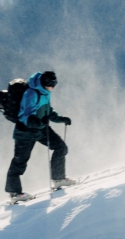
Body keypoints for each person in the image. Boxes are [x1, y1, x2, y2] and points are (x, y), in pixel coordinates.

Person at [6, 70, 74, 202]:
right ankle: (14, 192)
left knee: (61, 147)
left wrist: (61, 119)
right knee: (19, 162)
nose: (53, 87)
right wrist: (38, 122)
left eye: (55, 84)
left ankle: (58, 178)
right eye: (52, 85)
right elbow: (23, 116)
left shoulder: (45, 92)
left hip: (41, 130)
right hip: (25, 133)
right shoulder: (31, 93)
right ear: (46, 83)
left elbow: (48, 111)